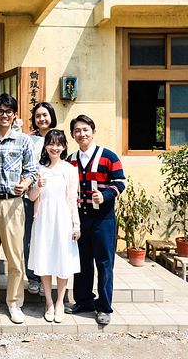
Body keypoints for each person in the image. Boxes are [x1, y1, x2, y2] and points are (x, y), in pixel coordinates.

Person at [0, 93, 37, 324]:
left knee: (15, 257)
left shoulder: (23, 141)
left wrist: (26, 183)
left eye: (9, 111)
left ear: (14, 115)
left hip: (14, 203)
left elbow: (32, 170)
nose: (5, 115)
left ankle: (14, 303)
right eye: (0, 111)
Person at [65, 115, 126, 325]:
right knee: (81, 262)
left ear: (93, 132)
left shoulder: (108, 156)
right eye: (77, 130)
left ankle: (104, 307)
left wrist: (106, 195)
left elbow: (120, 182)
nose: (82, 134)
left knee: (104, 263)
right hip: (80, 219)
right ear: (72, 135)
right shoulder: (70, 160)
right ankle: (83, 301)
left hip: (103, 220)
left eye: (85, 130)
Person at [28, 129, 80, 323]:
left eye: (59, 144)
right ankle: (49, 302)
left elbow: (72, 199)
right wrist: (38, 185)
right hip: (43, 219)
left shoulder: (69, 169)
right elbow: (31, 197)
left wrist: (76, 225)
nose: (55, 147)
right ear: (45, 146)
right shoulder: (39, 168)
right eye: (51, 143)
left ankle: (60, 302)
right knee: (45, 259)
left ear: (64, 146)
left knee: (62, 260)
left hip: (63, 219)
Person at [23, 102, 57, 296]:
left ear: (51, 116)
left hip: (52, 196)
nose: (42, 119)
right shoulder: (28, 139)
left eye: (45, 115)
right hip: (31, 194)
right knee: (29, 237)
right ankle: (33, 278)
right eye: (38, 116)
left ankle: (47, 278)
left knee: (49, 237)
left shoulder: (58, 137)